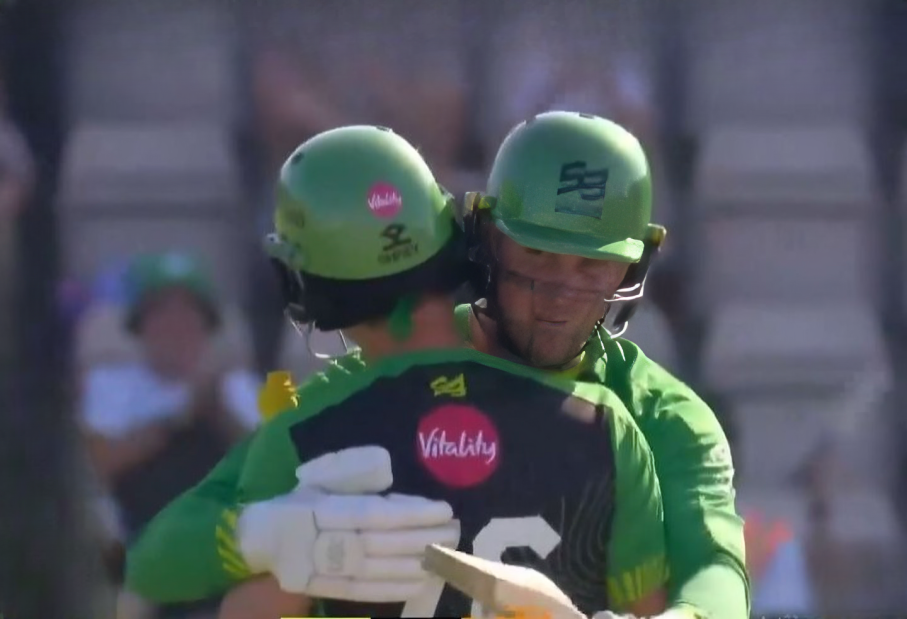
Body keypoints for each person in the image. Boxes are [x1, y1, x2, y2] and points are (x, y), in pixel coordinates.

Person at [128, 112, 746, 619]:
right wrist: (262, 537)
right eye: (537, 257)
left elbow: (718, 570)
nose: (560, 297)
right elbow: (161, 554)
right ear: (487, 240)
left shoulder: (667, 417)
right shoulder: (619, 424)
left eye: (592, 268)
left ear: (631, 269)